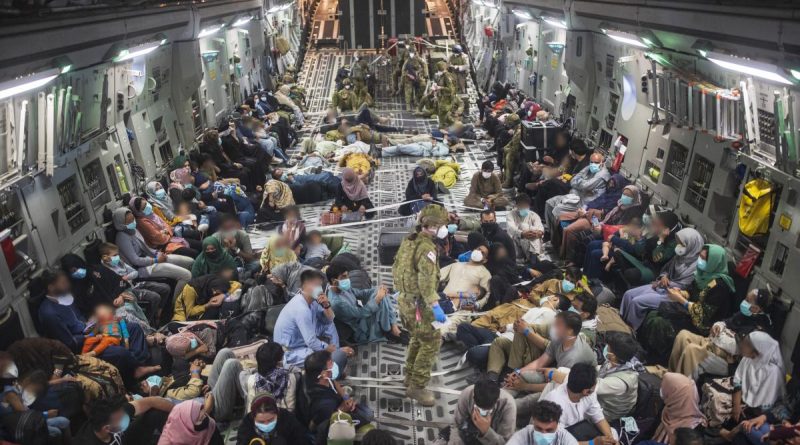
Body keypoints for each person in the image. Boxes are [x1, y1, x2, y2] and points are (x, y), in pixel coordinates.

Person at [37, 270, 158, 382]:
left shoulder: (65, 297)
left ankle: (137, 366)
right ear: (51, 287)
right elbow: (69, 343)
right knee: (121, 352)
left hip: (91, 330)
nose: (66, 284)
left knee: (133, 328)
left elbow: (81, 319)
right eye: (62, 283)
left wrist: (97, 322)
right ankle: (134, 370)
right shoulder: (49, 313)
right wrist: (94, 333)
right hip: (83, 344)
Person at [638, 243, 736, 365]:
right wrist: (681, 293)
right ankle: (646, 350)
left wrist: (680, 299)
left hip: (702, 325)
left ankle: (660, 359)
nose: (700, 260)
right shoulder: (702, 275)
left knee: (660, 323)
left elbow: (703, 316)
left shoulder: (720, 286)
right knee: (653, 313)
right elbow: (691, 291)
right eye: (700, 256)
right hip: (690, 314)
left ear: (714, 262)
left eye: (704, 258)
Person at [392, 205, 449, 406]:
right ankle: (417, 386)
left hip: (405, 302)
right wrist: (435, 306)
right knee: (432, 341)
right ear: (432, 226)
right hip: (420, 305)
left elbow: (395, 267)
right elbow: (426, 282)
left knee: (417, 337)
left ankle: (409, 376)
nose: (444, 229)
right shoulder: (427, 250)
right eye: (442, 225)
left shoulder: (409, 240)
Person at [669, 288, 775, 379]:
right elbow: (726, 322)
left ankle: (681, 389)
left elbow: (736, 349)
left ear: (756, 309)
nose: (744, 301)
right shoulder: (745, 314)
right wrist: (719, 326)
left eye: (747, 300)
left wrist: (719, 335)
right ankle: (671, 377)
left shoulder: (760, 329)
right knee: (683, 335)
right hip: (715, 345)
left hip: (728, 362)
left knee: (692, 350)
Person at [619, 227, 704, 330]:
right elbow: (666, 269)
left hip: (674, 294)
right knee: (628, 294)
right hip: (661, 285)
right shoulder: (679, 257)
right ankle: (620, 320)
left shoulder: (696, 266)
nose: (678, 246)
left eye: (682, 244)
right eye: (678, 243)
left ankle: (630, 330)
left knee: (636, 301)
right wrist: (664, 276)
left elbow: (684, 285)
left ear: (691, 245)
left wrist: (663, 283)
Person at [492, 311, 596, 389]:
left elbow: (556, 387)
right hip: (554, 374)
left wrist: (524, 386)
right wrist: (517, 372)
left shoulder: (573, 357)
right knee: (520, 377)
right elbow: (540, 362)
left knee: (527, 394)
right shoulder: (560, 339)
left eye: (557, 325)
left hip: (572, 385)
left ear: (569, 331)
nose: (553, 328)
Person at [273, 270, 354, 370]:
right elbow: (311, 342)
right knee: (314, 355)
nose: (320, 289)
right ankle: (334, 357)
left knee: (329, 324)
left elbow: (329, 320)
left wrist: (326, 305)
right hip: (290, 351)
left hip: (302, 339)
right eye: (316, 285)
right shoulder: (301, 309)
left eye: (320, 285)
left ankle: (335, 353)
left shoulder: (312, 301)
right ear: (305, 286)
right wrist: (329, 349)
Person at [112, 207, 193, 292]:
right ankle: (177, 303)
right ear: (121, 224)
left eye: (133, 219)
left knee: (190, 262)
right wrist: (155, 260)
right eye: (129, 221)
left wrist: (158, 254)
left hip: (150, 259)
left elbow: (146, 248)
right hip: (142, 268)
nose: (133, 222)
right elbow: (135, 261)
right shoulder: (122, 237)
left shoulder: (133, 230)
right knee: (187, 275)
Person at [303, 350, 375, 442]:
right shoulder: (323, 404)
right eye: (331, 364)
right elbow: (319, 425)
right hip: (330, 420)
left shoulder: (318, 377)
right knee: (367, 418)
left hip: (337, 406)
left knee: (367, 413)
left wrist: (346, 397)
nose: (334, 365)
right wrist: (341, 410)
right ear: (323, 373)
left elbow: (334, 382)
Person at [538, 363, 616, 445]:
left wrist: (611, 439)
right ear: (586, 391)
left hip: (578, 430)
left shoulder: (589, 393)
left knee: (613, 433)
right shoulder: (553, 405)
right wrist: (592, 443)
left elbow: (598, 418)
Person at [326, 263, 403, 344]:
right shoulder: (337, 302)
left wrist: (378, 289)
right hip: (360, 328)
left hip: (363, 318)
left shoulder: (341, 288)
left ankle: (392, 327)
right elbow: (361, 313)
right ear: (334, 281)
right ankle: (389, 328)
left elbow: (361, 293)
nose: (347, 279)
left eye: (347, 276)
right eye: (343, 277)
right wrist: (377, 298)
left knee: (380, 292)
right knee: (380, 299)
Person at [614, 210, 681, 286]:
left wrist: (661, 239)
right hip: (645, 262)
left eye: (657, 224)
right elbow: (638, 251)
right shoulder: (656, 231)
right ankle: (627, 283)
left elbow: (657, 258)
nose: (653, 225)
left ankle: (631, 285)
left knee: (630, 273)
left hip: (655, 271)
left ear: (665, 228)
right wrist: (641, 237)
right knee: (618, 253)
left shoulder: (674, 241)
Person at [75, 394, 173, 445]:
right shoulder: (87, 442)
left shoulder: (114, 414)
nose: (126, 418)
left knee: (155, 413)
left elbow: (151, 401)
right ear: (107, 428)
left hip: (127, 439)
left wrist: (180, 413)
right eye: (122, 418)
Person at [1, 369, 70, 440]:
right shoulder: (11, 394)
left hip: (26, 421)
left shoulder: (20, 389)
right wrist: (46, 414)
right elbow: (24, 415)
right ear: (27, 381)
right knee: (56, 432)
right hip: (14, 427)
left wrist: (60, 380)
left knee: (64, 421)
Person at [448, 377, 516, 445]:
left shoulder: (508, 406)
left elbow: (506, 442)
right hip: (470, 430)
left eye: (488, 410)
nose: (483, 413)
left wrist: (486, 430)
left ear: (497, 400)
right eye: (480, 408)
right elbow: (456, 424)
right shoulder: (468, 393)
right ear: (473, 397)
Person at [129, 196, 199, 258]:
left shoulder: (152, 213)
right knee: (194, 252)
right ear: (138, 212)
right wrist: (167, 231)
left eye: (146, 203)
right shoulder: (142, 222)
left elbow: (166, 225)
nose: (147, 206)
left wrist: (165, 231)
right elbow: (159, 239)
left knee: (197, 240)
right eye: (143, 208)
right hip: (164, 246)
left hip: (171, 236)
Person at [236, 392, 310, 445]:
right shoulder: (246, 425)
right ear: (253, 417)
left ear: (277, 413)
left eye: (270, 420)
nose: (266, 424)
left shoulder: (288, 419)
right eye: (261, 422)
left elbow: (302, 440)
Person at [653, 373, 707, 444]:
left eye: (664, 387)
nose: (662, 389)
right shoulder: (669, 408)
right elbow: (651, 430)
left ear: (674, 394)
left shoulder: (695, 430)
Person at [244, 343, 298, 412]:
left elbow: (244, 373)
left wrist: (260, 368)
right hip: (285, 418)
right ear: (279, 362)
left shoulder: (250, 379)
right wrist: (283, 367)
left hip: (257, 419)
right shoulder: (291, 377)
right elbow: (297, 370)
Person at [439, 246, 492, 310]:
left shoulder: (485, 273)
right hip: (442, 300)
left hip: (461, 310)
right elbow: (437, 275)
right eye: (478, 249)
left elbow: (487, 293)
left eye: (482, 253)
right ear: (473, 250)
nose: (479, 252)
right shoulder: (456, 265)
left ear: (485, 260)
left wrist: (477, 305)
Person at [507, 400, 579, 445]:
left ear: (557, 425)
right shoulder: (522, 436)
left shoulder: (566, 439)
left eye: (549, 430)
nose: (543, 435)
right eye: (539, 428)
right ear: (533, 422)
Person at [172, 274, 239, 321]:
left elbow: (237, 284)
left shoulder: (218, 282)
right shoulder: (191, 289)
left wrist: (223, 295)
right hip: (183, 314)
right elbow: (189, 313)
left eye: (217, 293)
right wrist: (207, 305)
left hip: (202, 311)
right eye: (214, 290)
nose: (214, 293)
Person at [158, 399, 223, 445]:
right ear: (186, 424)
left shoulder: (208, 424)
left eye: (201, 409)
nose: (204, 414)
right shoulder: (167, 442)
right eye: (198, 415)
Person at [506, 194, 545, 261]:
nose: (524, 208)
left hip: (533, 239)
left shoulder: (534, 215)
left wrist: (537, 233)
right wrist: (523, 233)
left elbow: (540, 228)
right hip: (517, 241)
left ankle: (533, 258)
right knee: (523, 226)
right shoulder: (511, 215)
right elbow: (511, 229)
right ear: (516, 205)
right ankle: (532, 259)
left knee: (533, 233)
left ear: (529, 206)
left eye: (526, 206)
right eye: (521, 206)